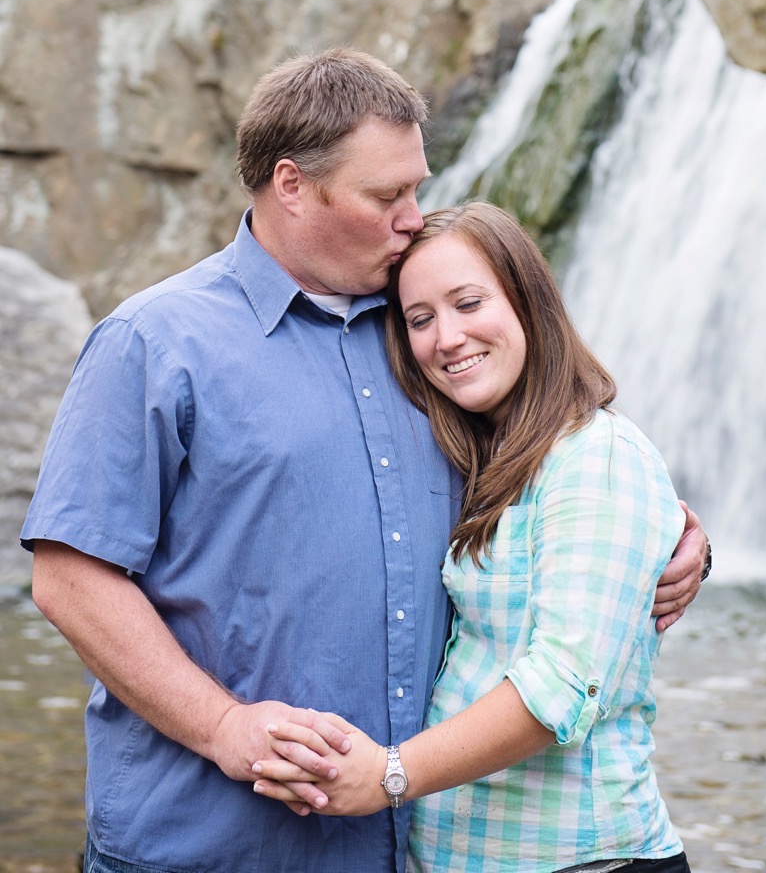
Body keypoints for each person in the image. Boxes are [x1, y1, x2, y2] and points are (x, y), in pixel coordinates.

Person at [20, 50, 707, 873]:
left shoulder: (428, 335)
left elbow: (557, 484)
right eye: (388, 196)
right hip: (203, 843)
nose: (414, 218)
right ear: (292, 186)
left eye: (417, 188)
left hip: (393, 844)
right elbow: (70, 577)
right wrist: (223, 727)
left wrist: (673, 546)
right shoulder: (153, 343)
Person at [253, 201, 697, 873]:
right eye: (420, 319)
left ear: (528, 301)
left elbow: (561, 686)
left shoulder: (597, 456)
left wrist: (387, 775)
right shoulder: (483, 459)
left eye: (468, 303)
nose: (447, 338)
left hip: (584, 862)